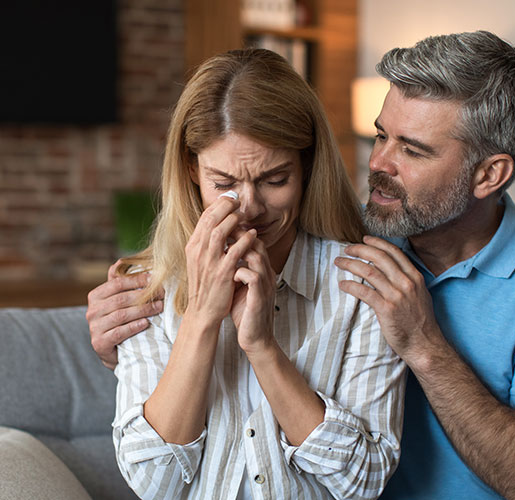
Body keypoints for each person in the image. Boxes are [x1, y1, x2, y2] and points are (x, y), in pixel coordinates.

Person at [88, 31, 515, 499]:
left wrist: (423, 345)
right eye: (381, 135)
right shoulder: (353, 233)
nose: (377, 163)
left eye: (413, 150)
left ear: (489, 174)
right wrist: (128, 337)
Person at [99, 48, 406, 500]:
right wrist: (202, 317)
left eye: (274, 179)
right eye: (223, 184)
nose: (251, 208)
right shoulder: (149, 284)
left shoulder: (359, 283)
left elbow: (362, 481)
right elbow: (152, 482)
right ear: (191, 171)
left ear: (305, 167)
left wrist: (262, 347)